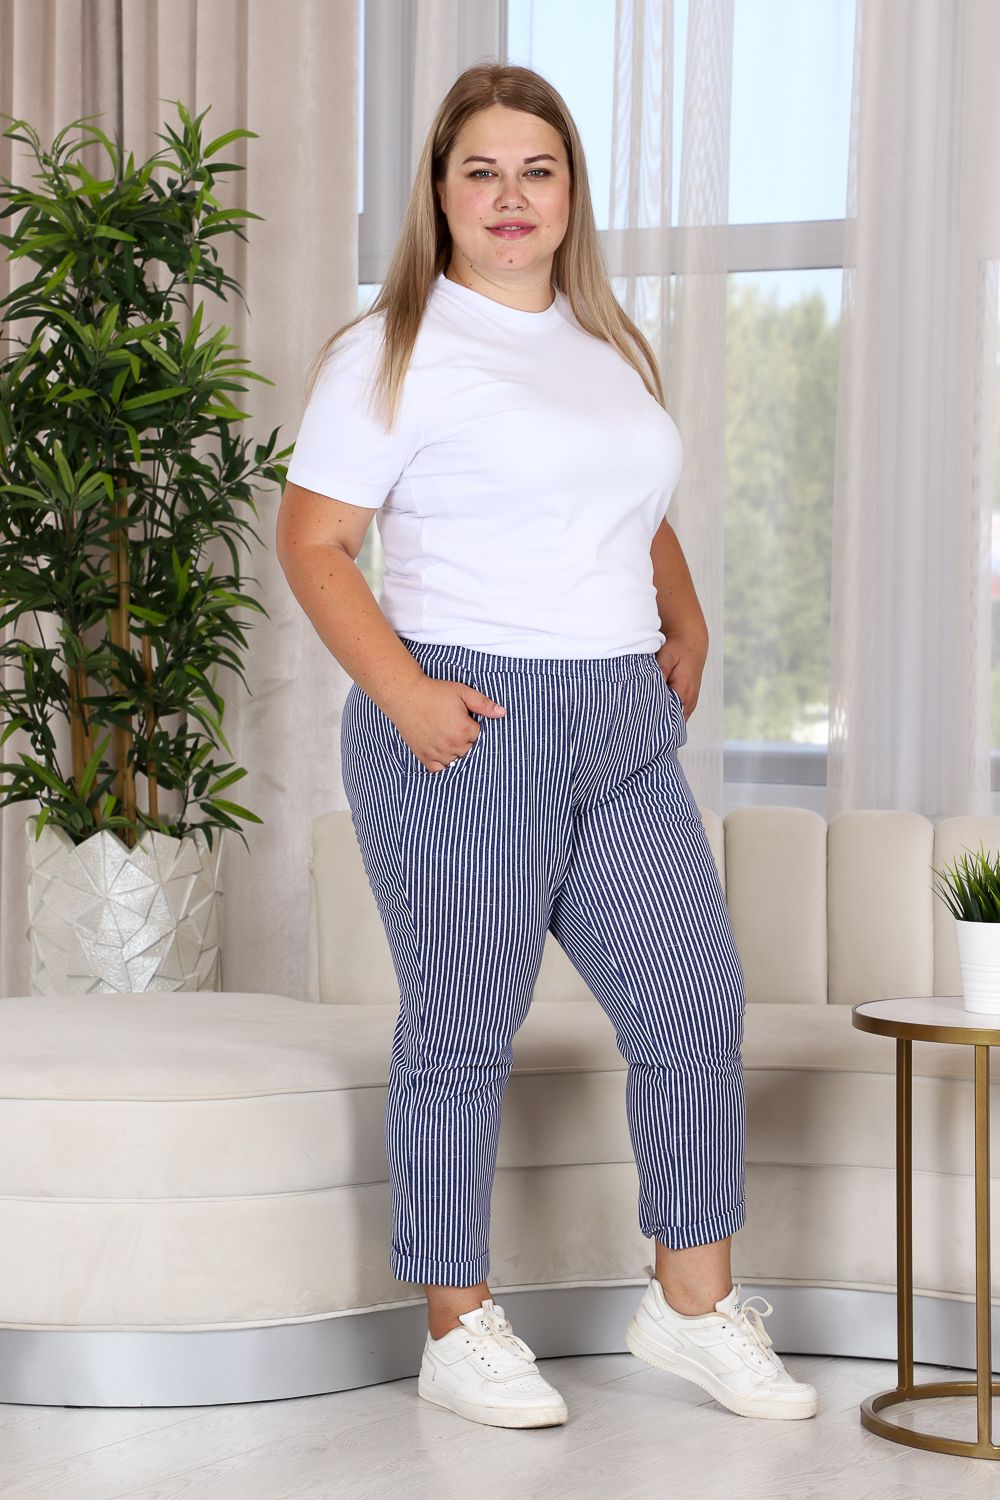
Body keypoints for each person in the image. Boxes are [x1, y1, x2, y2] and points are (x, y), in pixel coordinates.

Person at [277, 60, 819, 1432]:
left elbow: (631, 502)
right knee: (465, 1028)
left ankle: (689, 1307)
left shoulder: (600, 345)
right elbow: (317, 542)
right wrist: (408, 697)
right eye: (482, 172)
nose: (511, 197)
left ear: (571, 193)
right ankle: (455, 1328)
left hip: (621, 725)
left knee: (693, 1002)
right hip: (467, 719)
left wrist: (684, 620)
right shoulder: (392, 348)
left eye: (537, 171)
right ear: (441, 193)